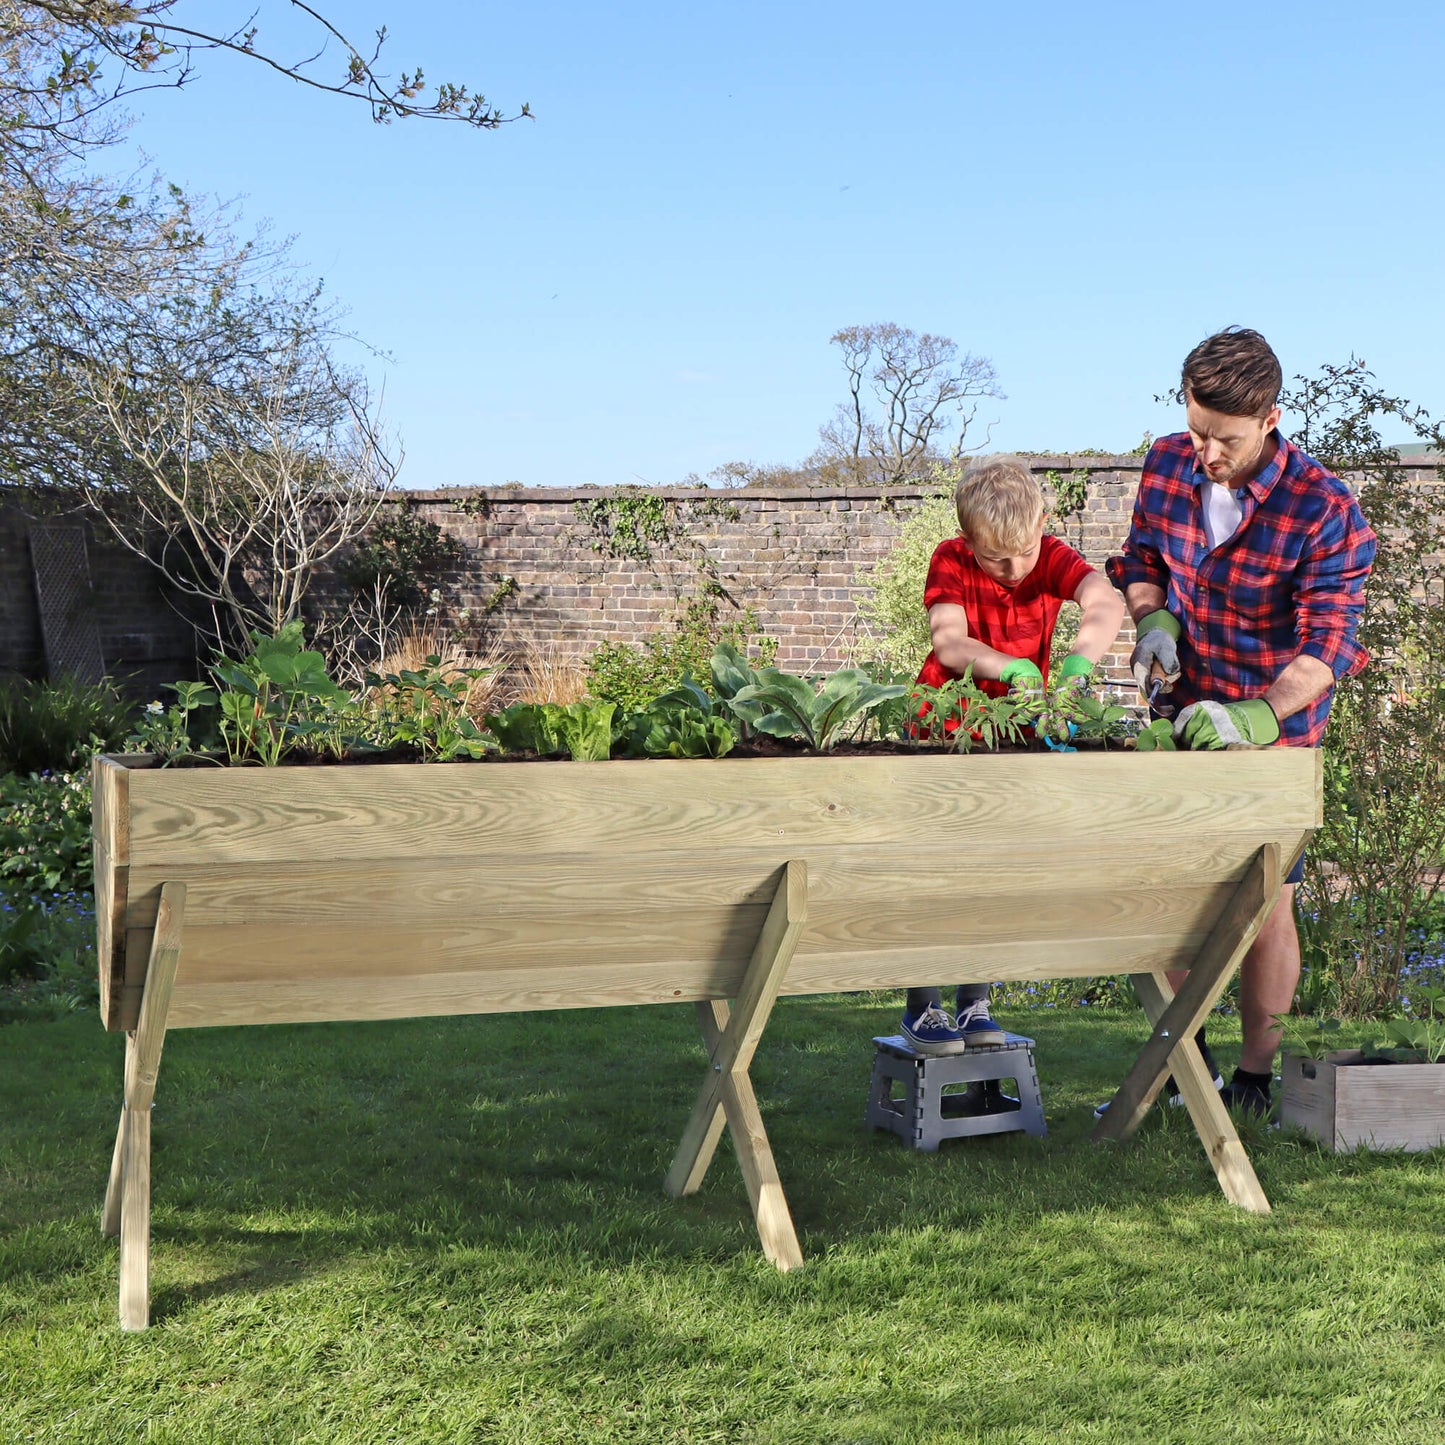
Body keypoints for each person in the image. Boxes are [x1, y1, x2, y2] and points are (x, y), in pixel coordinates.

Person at [1104, 326, 1376, 1115]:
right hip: (1183, 713)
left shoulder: (1322, 509)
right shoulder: (1166, 461)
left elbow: (1327, 645)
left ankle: (1256, 1073)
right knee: (1175, 895)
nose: (1205, 454)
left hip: (1273, 733)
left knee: (1263, 905)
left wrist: (1257, 716)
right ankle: (1187, 1064)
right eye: (1195, 431)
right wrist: (1153, 622)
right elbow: (1144, 559)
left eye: (1222, 439)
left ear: (1268, 419)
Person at [897, 454, 1126, 1055]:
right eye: (994, 557)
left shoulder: (1049, 556)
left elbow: (1105, 603)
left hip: (1016, 732)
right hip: (949, 727)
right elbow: (949, 644)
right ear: (967, 538)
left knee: (993, 869)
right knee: (936, 869)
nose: (1012, 568)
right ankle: (923, 1007)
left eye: (1021, 552)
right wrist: (1014, 668)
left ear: (1043, 522)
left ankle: (974, 1003)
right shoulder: (950, 559)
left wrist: (1077, 664)